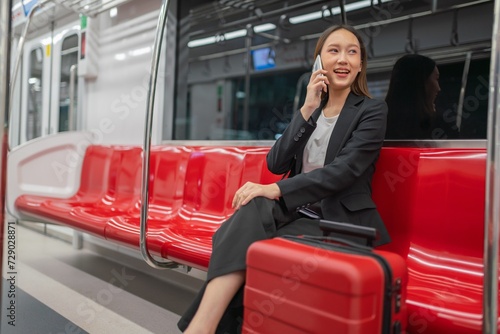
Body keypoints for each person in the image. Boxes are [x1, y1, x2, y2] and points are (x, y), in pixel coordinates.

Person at [177, 24, 391, 334]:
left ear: (360, 65)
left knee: (246, 240)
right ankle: (204, 327)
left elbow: (344, 171)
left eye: (352, 52)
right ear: (319, 62)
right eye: (334, 51)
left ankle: (202, 326)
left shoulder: (371, 111)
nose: (343, 59)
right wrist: (306, 108)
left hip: (335, 218)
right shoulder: (312, 111)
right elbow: (276, 162)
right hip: (295, 211)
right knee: (251, 209)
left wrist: (274, 189)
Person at [385, 54, 441, 139]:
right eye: (436, 79)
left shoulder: (377, 126)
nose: (438, 88)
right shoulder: (437, 126)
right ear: (421, 84)